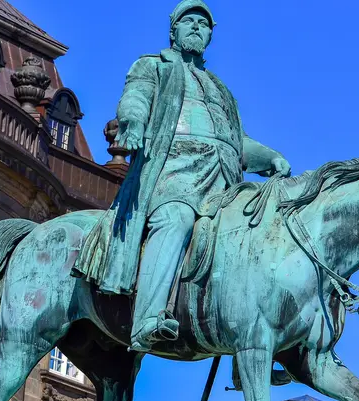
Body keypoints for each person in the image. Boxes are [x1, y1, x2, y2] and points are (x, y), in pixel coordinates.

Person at [73, 0, 291, 352]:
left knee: (255, 239)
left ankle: (255, 346)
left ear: (210, 36)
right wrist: (132, 122)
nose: (195, 27)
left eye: (203, 24)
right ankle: (147, 319)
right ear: (173, 30)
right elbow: (136, 99)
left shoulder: (221, 90)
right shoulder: (154, 66)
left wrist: (271, 158)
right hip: (173, 172)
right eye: (188, 21)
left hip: (223, 182)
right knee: (176, 218)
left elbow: (238, 143)